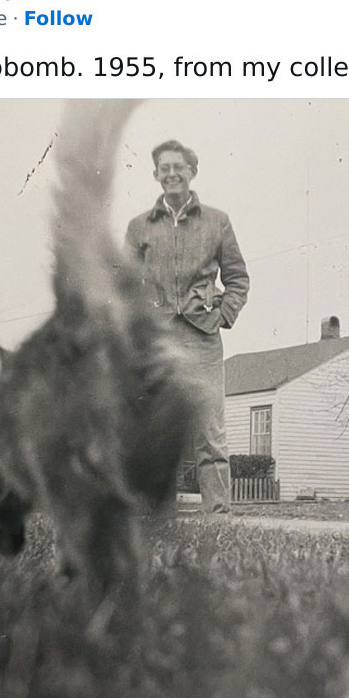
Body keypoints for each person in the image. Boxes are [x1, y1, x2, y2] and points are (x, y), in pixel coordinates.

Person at [125, 140, 250, 513]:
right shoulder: (138, 227)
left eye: (179, 167)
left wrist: (222, 315)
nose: (172, 174)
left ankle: (218, 514)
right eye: (165, 168)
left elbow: (238, 279)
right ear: (156, 175)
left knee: (209, 426)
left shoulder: (217, 221)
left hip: (202, 338)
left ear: (192, 171)